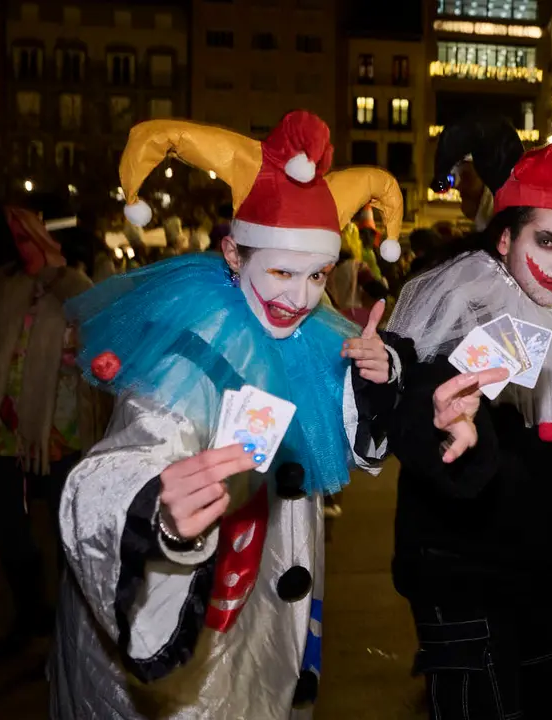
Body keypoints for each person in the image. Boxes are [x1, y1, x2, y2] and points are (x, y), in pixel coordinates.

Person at [50, 111, 411, 719]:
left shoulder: (313, 335)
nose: (299, 298)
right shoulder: (192, 343)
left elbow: (342, 444)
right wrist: (161, 512)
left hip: (272, 602)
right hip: (202, 628)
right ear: (234, 254)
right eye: (280, 271)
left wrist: (375, 382)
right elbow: (128, 457)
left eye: (317, 275)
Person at [385, 104, 552, 720]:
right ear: (505, 237)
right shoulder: (450, 313)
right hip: (461, 580)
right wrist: (454, 431)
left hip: (544, 575)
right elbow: (413, 422)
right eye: (546, 241)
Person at [0, 205, 105, 652]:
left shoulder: (76, 288)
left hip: (58, 430)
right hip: (2, 429)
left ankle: (75, 624)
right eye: (15, 238)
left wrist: (80, 354)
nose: (21, 246)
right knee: (3, 522)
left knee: (68, 530)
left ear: (46, 238)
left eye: (27, 237)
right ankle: (30, 610)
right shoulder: (1, 284)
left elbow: (100, 352)